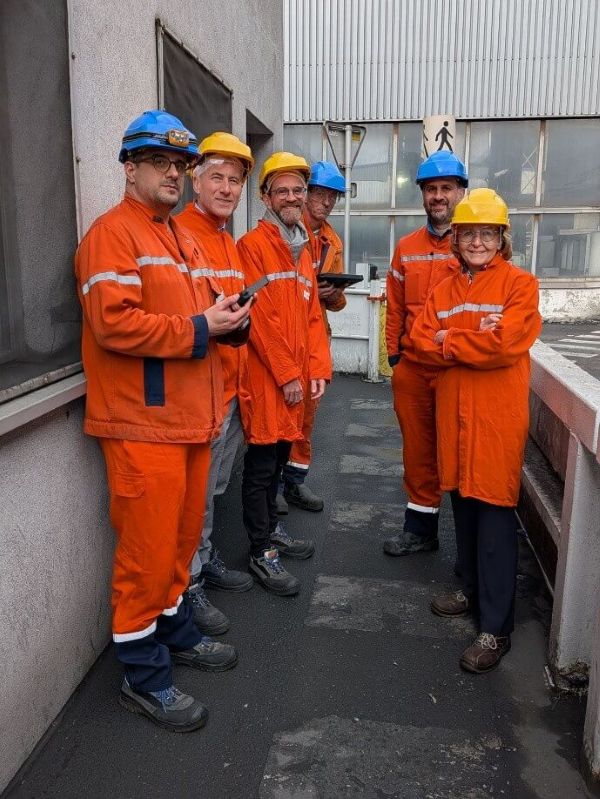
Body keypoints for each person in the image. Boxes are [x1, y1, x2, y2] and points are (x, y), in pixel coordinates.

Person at [74, 110, 251, 731]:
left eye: (181, 166)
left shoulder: (174, 235)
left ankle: (174, 634)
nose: (174, 175)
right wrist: (204, 327)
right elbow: (113, 323)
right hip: (142, 427)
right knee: (146, 559)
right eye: (161, 164)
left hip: (187, 422)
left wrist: (225, 316)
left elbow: (191, 314)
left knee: (177, 549)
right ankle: (145, 680)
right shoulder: (112, 234)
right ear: (130, 168)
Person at [411, 188, 541, 673]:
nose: (478, 242)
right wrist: (467, 340)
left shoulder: (519, 286)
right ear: (457, 238)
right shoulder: (444, 290)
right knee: (462, 507)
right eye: (470, 234)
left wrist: (449, 340)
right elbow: (419, 341)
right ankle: (469, 589)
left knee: (494, 518)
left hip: (495, 421)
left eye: (487, 233)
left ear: (501, 238)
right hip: (455, 418)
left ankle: (496, 628)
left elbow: (506, 346)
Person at [237, 152, 332, 595]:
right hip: (267, 377)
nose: (292, 197)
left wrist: (317, 369)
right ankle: (261, 550)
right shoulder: (252, 247)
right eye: (283, 191)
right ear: (266, 197)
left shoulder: (304, 246)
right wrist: (289, 372)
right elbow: (258, 319)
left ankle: (273, 531)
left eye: (298, 190)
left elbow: (312, 314)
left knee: (277, 463)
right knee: (259, 470)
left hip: (294, 379)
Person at [177, 132, 255, 635]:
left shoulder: (226, 239)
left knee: (215, 489)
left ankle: (203, 564)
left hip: (228, 389)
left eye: (235, 180)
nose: (227, 189)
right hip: (199, 393)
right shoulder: (179, 233)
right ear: (195, 181)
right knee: (195, 499)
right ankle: (189, 585)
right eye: (217, 178)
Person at [384, 151, 467, 557]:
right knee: (417, 452)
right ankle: (420, 531)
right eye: (431, 189)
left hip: (456, 368)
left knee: (458, 450)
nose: (438, 196)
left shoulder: (476, 243)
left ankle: (470, 545)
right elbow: (395, 306)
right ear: (423, 195)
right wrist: (395, 357)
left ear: (460, 192)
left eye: (446, 188)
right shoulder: (407, 247)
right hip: (413, 369)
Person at [278, 160, 347, 514]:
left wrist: (332, 293)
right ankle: (273, 486)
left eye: (332, 195)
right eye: (319, 192)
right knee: (279, 414)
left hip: (316, 336)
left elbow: (337, 302)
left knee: (307, 415)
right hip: (287, 336)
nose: (326, 201)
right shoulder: (287, 231)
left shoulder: (333, 241)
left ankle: (295, 483)